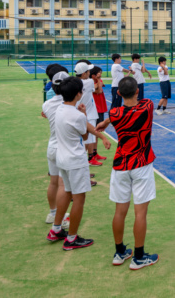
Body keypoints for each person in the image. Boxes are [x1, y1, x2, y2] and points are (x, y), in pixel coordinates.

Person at [96, 77, 159, 269]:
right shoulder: (147, 106)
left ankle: (120, 252)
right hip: (141, 164)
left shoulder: (114, 113)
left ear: (118, 93)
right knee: (140, 213)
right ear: (137, 91)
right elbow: (138, 105)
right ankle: (138, 257)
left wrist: (106, 121)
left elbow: (116, 115)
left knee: (119, 212)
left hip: (121, 165)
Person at [46, 76, 111, 250]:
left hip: (62, 159)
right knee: (79, 199)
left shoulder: (59, 109)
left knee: (67, 192)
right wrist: (83, 115)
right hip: (76, 160)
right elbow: (84, 136)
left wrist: (101, 135)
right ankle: (72, 238)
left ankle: (56, 229)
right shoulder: (77, 115)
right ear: (78, 94)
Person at [41, 67, 71, 229]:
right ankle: (60, 219)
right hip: (64, 148)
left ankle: (52, 213)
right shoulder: (71, 104)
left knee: (53, 182)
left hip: (51, 146)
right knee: (62, 185)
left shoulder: (46, 104)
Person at [76, 61, 101, 169]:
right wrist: (98, 79)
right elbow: (97, 88)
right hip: (88, 115)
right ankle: (85, 161)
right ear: (83, 74)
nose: (90, 73)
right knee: (87, 141)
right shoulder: (89, 82)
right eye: (88, 71)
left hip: (81, 113)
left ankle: (86, 160)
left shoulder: (75, 82)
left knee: (84, 140)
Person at [90, 66, 109, 164]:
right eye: (99, 73)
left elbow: (100, 89)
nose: (100, 74)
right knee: (94, 132)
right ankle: (91, 155)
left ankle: (95, 152)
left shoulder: (98, 81)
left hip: (100, 108)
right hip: (95, 109)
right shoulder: (90, 83)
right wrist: (98, 82)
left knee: (96, 133)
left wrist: (98, 82)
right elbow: (98, 91)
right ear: (93, 75)